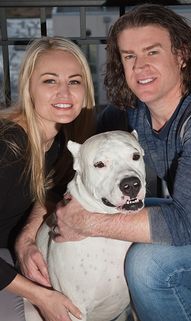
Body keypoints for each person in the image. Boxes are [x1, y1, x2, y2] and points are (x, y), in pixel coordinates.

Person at [17, 4, 191, 321]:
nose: (141, 66)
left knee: (148, 263)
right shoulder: (133, 111)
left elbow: (184, 224)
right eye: (129, 56)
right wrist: (28, 236)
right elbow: (79, 170)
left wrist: (86, 223)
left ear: (181, 54)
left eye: (152, 52)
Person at [0, 36, 95, 321]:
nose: (64, 93)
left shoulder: (60, 144)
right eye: (50, 81)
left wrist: (25, 240)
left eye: (74, 82)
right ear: (29, 87)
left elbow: (51, 193)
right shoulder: (8, 146)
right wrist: (40, 296)